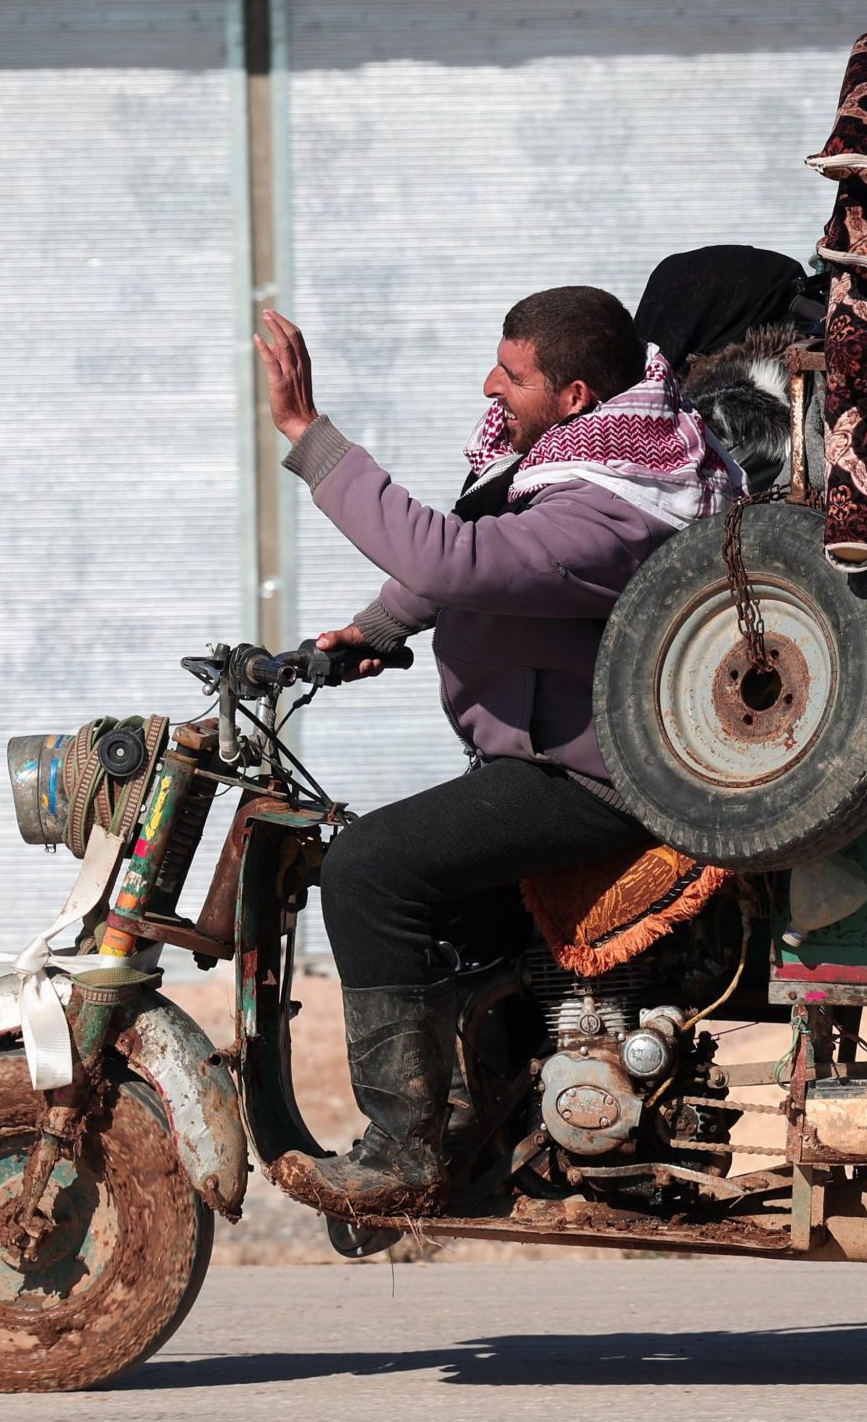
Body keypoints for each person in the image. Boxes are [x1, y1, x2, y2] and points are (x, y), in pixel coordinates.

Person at [250, 286, 731, 1218]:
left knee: (369, 868)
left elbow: (455, 558)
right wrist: (375, 629)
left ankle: (402, 1152)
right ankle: (480, 1128)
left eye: (512, 375)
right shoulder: (596, 460)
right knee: (445, 909)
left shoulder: (614, 508)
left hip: (589, 775)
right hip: (550, 754)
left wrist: (311, 436)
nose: (489, 387)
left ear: (576, 396)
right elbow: (488, 541)